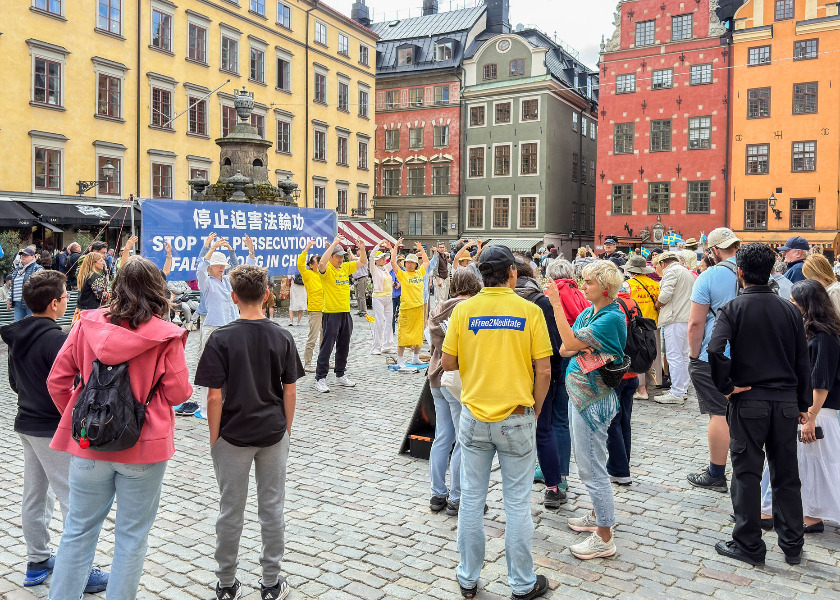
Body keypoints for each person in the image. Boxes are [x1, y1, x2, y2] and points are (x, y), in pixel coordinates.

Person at [45, 256, 193, 598]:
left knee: (78, 531)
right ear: (158, 290)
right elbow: (178, 393)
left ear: (116, 285)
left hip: (89, 442)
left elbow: (57, 381)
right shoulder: (167, 335)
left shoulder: (86, 323)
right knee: (131, 536)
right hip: (144, 446)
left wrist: (78, 418)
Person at [442, 245, 552, 599]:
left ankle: (468, 578)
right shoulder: (529, 310)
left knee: (472, 499)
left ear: (480, 275)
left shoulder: (465, 310)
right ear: (512, 274)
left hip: (475, 415)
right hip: (517, 416)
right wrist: (534, 410)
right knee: (517, 502)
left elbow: (447, 363)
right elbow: (545, 370)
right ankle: (521, 582)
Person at [194, 265, 303, 600]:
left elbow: (214, 397)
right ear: (267, 294)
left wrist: (215, 439)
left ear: (233, 297)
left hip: (232, 434)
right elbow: (290, 390)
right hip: (272, 433)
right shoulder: (282, 335)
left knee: (230, 510)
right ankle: (271, 582)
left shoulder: (221, 338)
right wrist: (286, 430)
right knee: (272, 509)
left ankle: (226, 584)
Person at [0, 271, 108, 593]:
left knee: (36, 494)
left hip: (27, 424)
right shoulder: (57, 339)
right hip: (52, 428)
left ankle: (37, 560)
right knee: (72, 499)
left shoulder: (18, 336)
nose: (67, 299)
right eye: (65, 295)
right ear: (56, 303)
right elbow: (74, 385)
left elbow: (14, 384)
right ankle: (81, 571)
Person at [708, 243, 810, 567]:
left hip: (749, 400)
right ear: (770, 272)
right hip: (784, 403)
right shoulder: (790, 310)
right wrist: (803, 403)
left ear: (740, 272)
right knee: (786, 474)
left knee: (746, 473)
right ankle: (792, 544)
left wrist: (726, 386)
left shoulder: (733, 308)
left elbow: (714, 349)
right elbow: (802, 359)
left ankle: (749, 543)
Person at [544, 260, 626, 560]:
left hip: (592, 399)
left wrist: (555, 304)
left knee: (592, 467)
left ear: (605, 288)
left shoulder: (609, 318)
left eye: (588, 282)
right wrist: (580, 345)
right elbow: (566, 348)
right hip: (582, 394)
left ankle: (604, 536)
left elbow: (567, 341)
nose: (582, 285)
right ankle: (596, 516)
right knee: (590, 460)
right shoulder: (592, 311)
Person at [756, 279, 840, 534]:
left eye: (794, 302)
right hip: (809, 409)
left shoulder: (824, 337)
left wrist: (811, 417)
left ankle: (775, 511)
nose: (790, 305)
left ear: (806, 305)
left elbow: (821, 383)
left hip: (817, 411)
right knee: (805, 464)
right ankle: (797, 514)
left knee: (815, 465)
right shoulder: (815, 332)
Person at [687, 227, 741, 492]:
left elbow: (696, 323)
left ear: (715, 250)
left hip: (716, 353)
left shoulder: (709, 276)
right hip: (751, 354)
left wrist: (694, 355)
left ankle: (716, 473)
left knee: (718, 413)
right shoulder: (757, 271)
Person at [179, 234, 256, 418]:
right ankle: (207, 407)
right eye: (217, 265)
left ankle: (229, 401)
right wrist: (210, 248)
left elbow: (244, 271)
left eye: (223, 265)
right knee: (210, 368)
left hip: (231, 328)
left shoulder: (230, 281)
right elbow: (200, 269)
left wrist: (248, 251)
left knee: (232, 367)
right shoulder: (207, 283)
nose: (221, 268)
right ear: (211, 267)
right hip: (214, 329)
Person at [427, 269, 482, 514]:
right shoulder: (472, 308)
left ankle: (437, 493)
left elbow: (433, 341)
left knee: (442, 438)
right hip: (459, 377)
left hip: (436, 376)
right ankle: (457, 496)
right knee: (462, 440)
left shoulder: (439, 308)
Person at [513, 257, 565, 509]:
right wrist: (554, 376)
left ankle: (516, 490)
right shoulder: (541, 302)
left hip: (511, 373)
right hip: (539, 373)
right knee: (544, 430)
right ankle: (553, 488)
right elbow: (554, 345)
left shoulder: (505, 301)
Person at [541, 259, 589, 502]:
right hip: (576, 358)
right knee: (561, 418)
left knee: (553, 419)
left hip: (559, 358)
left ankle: (554, 473)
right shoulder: (578, 292)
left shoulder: (554, 293)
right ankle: (560, 472)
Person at [315, 235, 367, 393]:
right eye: (337, 257)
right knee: (327, 346)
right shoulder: (326, 269)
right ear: (331, 257)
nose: (340, 260)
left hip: (345, 313)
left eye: (342, 257)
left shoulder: (345, 268)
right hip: (331, 313)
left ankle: (340, 374)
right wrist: (334, 244)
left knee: (344, 345)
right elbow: (322, 263)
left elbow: (362, 262)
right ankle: (321, 378)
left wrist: (363, 249)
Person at [607, 282, 642, 485]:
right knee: (624, 422)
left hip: (619, 373)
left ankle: (619, 470)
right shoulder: (632, 303)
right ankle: (623, 465)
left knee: (613, 423)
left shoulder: (616, 307)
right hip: (632, 372)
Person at [653, 251, 694, 405]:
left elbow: (664, 296)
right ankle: (681, 389)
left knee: (674, 356)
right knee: (683, 356)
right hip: (685, 318)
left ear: (663, 263)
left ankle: (676, 392)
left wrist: (657, 305)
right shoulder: (685, 271)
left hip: (674, 318)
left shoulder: (671, 272)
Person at [623, 255, 661, 401]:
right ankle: (653, 382)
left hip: (635, 324)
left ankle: (641, 389)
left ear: (631, 270)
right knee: (652, 353)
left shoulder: (627, 284)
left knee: (637, 354)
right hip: (652, 323)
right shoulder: (655, 284)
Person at [388, 239, 430, 369]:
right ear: (405, 264)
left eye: (413, 263)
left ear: (416, 264)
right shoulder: (402, 275)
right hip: (407, 308)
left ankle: (415, 358)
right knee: (404, 335)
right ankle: (400, 360)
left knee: (418, 334)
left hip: (419, 307)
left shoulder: (420, 272)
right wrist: (395, 247)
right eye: (408, 263)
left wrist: (421, 249)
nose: (410, 265)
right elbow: (393, 262)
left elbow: (427, 261)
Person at [297, 240, 324, 370]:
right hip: (315, 309)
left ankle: (323, 361)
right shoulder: (308, 275)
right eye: (317, 262)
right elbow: (300, 264)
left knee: (325, 339)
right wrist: (307, 248)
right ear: (312, 265)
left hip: (327, 308)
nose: (320, 263)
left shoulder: (324, 274)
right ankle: (307, 363)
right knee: (313, 338)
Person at [370, 245, 396, 355]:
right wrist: (378, 245)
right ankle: (376, 347)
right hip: (378, 297)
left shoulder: (386, 268)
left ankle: (387, 345)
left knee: (389, 321)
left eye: (384, 258)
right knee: (379, 322)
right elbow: (371, 256)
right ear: (376, 260)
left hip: (388, 297)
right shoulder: (374, 269)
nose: (384, 259)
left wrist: (391, 248)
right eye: (381, 258)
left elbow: (393, 259)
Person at [7, 247, 44, 321]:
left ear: (33, 257)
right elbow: (13, 286)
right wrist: (9, 298)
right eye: (22, 255)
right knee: (17, 326)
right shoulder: (17, 270)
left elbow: (41, 286)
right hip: (18, 303)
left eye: (26, 255)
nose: (23, 257)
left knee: (32, 326)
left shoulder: (38, 269)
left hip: (31, 303)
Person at [432, 242, 451, 311]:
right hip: (440, 278)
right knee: (440, 299)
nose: (442, 249)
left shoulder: (445, 256)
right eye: (440, 247)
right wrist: (438, 280)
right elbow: (435, 269)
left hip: (445, 278)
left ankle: (443, 313)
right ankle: (438, 314)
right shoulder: (437, 256)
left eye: (443, 247)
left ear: (445, 248)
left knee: (445, 299)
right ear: (438, 248)